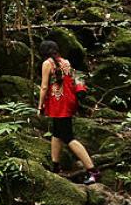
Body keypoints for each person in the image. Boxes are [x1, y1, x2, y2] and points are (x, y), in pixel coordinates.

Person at [37, 39, 101, 184]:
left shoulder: (47, 64)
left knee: (68, 137)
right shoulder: (66, 62)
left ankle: (93, 171)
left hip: (59, 104)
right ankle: (55, 166)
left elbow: (44, 87)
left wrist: (40, 105)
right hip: (68, 101)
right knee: (57, 133)